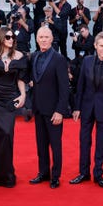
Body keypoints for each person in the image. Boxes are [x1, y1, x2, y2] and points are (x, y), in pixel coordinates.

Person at [71, 31, 103, 188]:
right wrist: (77, 108)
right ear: (95, 45)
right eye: (101, 46)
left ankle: (98, 174)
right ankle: (83, 173)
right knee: (84, 141)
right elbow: (80, 86)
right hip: (87, 108)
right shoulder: (86, 61)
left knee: (102, 143)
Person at [0, 27, 27, 188]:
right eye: (8, 37)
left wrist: (23, 95)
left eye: (13, 37)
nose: (11, 39)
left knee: (7, 134)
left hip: (9, 98)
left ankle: (7, 174)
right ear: (0, 38)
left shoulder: (20, 56)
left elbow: (21, 78)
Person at [29, 26, 69, 189]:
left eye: (46, 37)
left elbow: (64, 87)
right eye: (41, 37)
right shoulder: (34, 56)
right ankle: (43, 172)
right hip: (38, 109)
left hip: (54, 111)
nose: (44, 39)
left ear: (52, 39)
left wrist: (60, 110)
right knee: (41, 144)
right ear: (36, 39)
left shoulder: (59, 59)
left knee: (55, 145)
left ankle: (56, 175)